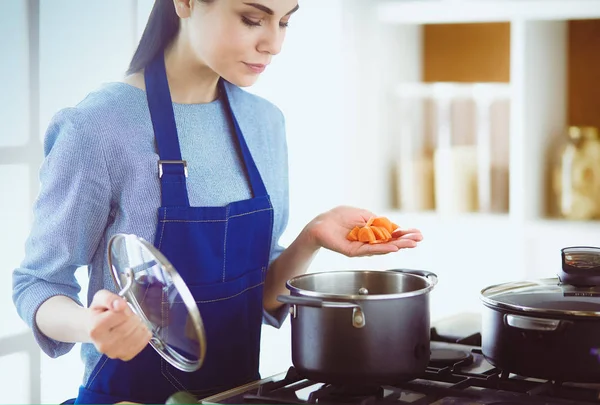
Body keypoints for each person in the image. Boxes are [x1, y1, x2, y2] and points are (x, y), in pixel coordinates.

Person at [12, 0, 424, 403]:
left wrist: (311, 237)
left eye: (284, 22)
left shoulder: (264, 122)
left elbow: (257, 297)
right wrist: (91, 325)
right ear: (186, 3)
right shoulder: (99, 127)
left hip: (241, 397)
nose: (273, 44)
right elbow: (38, 283)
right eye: (252, 19)